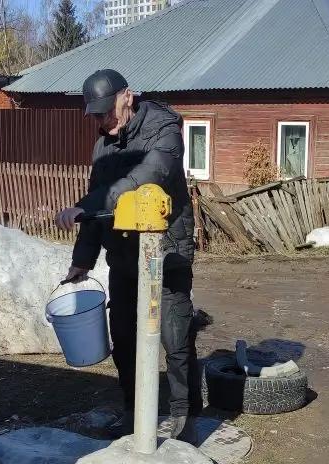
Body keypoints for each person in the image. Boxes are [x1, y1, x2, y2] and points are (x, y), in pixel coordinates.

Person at [54, 69, 200, 442]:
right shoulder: (103, 147)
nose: (104, 121)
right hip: (122, 252)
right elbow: (95, 211)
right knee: (123, 334)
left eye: (107, 111)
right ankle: (135, 410)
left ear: (127, 97)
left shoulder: (164, 129)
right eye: (97, 115)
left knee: (174, 332)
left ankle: (185, 412)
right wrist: (82, 260)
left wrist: (90, 203)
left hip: (165, 249)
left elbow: (151, 175)